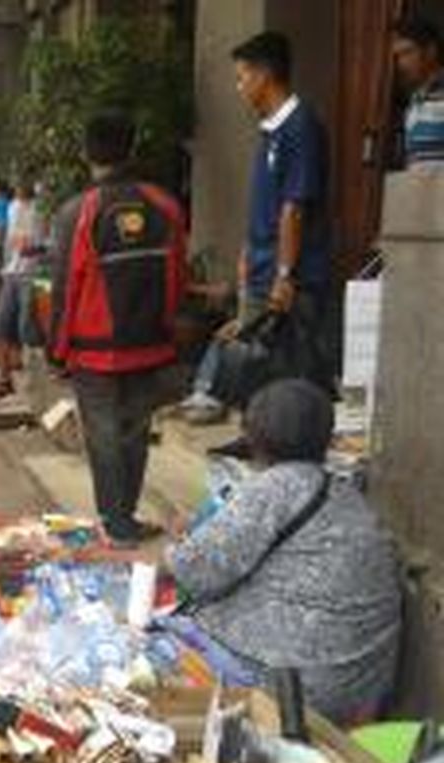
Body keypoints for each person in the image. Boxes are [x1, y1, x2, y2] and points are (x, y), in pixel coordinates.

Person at [164, 379, 401, 724]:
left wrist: (175, 545)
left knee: (139, 650)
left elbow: (193, 570)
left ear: (254, 437)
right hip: (358, 689)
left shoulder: (276, 486)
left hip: (292, 689)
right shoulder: (345, 495)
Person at [50, 112, 187, 546]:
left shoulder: (79, 211)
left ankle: (115, 523)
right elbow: (178, 275)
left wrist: (57, 349)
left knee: (104, 435)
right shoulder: (165, 205)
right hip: (149, 345)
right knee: (134, 432)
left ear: (86, 153)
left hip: (95, 350)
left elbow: (65, 287)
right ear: (132, 147)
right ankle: (123, 517)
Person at [183, 31, 332, 425]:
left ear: (264, 75)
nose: (239, 87)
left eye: (241, 77)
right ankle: (255, 440)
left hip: (291, 277)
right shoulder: (270, 129)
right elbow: (267, 205)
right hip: (262, 265)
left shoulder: (300, 127)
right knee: (255, 365)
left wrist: (285, 273)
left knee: (286, 370)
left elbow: (294, 208)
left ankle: (286, 452)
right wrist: (248, 253)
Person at [0, 180, 46, 396]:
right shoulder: (12, 206)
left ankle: (37, 384)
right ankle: (4, 379)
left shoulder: (42, 207)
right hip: (10, 271)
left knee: (28, 328)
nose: (19, 186)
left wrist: (36, 248)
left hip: (34, 273)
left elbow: (54, 242)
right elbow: (6, 239)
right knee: (1, 324)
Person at [394, 17, 444, 170]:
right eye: (398, 56)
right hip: (419, 191)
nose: (402, 63)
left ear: (430, 51)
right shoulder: (414, 100)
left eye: (408, 52)